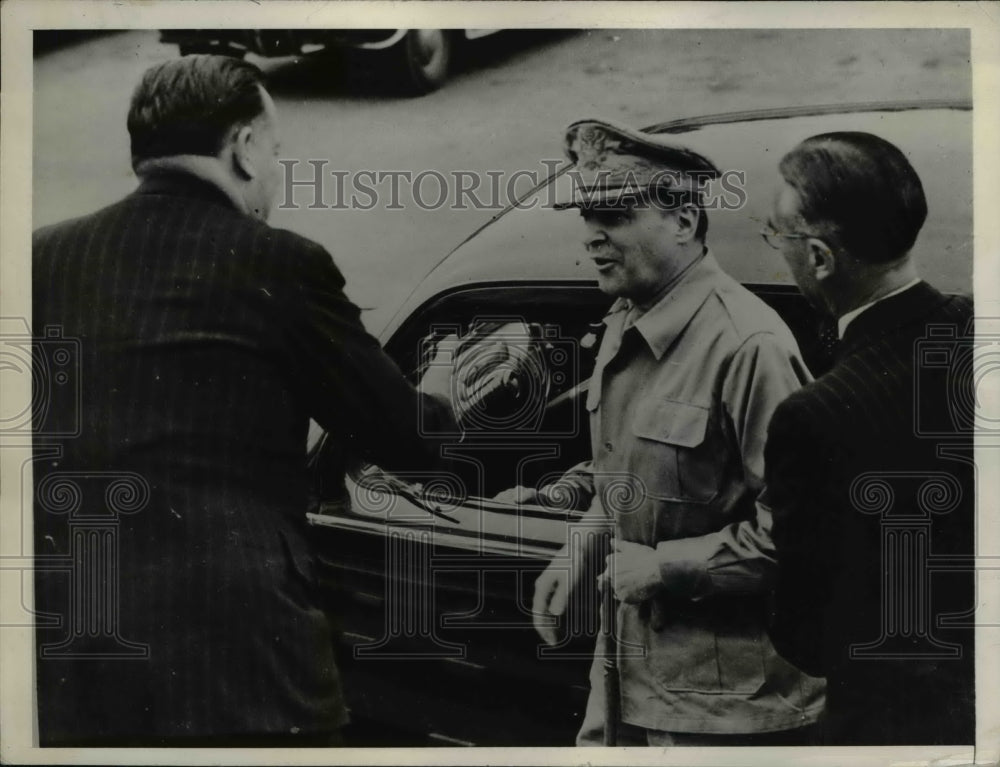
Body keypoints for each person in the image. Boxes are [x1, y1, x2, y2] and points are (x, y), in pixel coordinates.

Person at [31, 55, 456, 746]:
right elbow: (406, 439)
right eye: (277, 150)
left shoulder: (42, 257)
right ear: (246, 148)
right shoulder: (280, 262)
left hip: (74, 659)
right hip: (240, 664)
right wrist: (446, 390)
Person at [522, 119, 825, 745]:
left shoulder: (748, 346)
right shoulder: (629, 318)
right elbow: (629, 480)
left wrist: (665, 568)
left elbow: (806, 537)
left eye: (616, 217)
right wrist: (579, 549)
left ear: (684, 221)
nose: (593, 238)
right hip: (627, 680)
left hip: (724, 713)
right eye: (586, 218)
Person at [761, 131, 975, 744]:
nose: (779, 249)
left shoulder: (814, 417)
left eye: (779, 236)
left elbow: (805, 633)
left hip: (890, 724)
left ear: (822, 259)